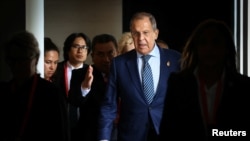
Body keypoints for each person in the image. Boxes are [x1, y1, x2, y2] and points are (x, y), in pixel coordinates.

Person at [159, 19, 250, 140]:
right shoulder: (179, 83)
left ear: (226, 48)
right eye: (203, 43)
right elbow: (168, 131)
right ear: (196, 48)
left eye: (216, 42)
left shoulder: (243, 86)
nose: (209, 48)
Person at [98, 12, 181, 141]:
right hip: (131, 135)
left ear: (156, 33)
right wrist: (104, 138)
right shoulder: (119, 64)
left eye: (146, 32)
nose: (141, 38)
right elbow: (109, 105)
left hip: (168, 133)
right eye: (136, 33)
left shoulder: (176, 60)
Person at [0, 30, 69, 141]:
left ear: (36, 59)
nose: (17, 65)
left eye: (23, 60)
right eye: (12, 60)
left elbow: (61, 135)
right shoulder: (3, 91)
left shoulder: (52, 94)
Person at [68, 33, 118, 141]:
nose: (106, 59)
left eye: (110, 53)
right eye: (100, 54)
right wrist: (85, 88)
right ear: (92, 56)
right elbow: (74, 101)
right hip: (91, 135)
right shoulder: (81, 74)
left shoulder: (126, 74)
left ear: (117, 53)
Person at [52, 32, 91, 141]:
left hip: (85, 129)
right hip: (60, 126)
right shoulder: (56, 69)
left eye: (84, 47)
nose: (80, 50)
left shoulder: (91, 72)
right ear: (68, 49)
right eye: (76, 46)